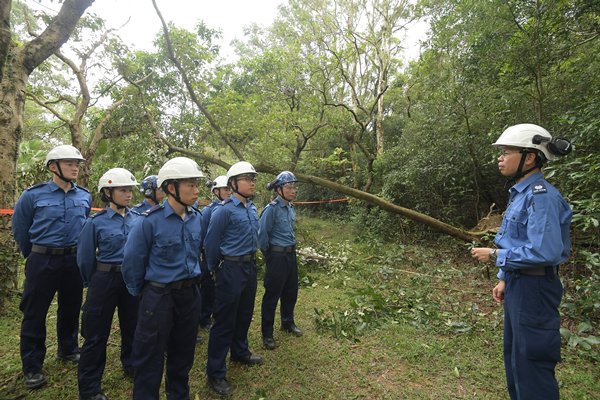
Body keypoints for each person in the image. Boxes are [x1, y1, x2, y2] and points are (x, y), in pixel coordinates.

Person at [471, 123, 572, 400]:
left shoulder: (542, 197)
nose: (500, 158)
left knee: (532, 363)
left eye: (506, 152)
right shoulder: (521, 194)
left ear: (529, 158)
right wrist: (504, 277)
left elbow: (545, 252)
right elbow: (519, 241)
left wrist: (494, 256)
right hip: (519, 283)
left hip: (535, 290)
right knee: (515, 359)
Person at [122, 157, 204, 400]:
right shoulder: (149, 221)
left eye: (196, 184)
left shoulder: (197, 218)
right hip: (159, 297)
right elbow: (132, 262)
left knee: (183, 354)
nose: (196, 190)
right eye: (190, 184)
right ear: (171, 188)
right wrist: (145, 295)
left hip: (189, 295)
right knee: (149, 358)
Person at [12, 144, 91, 390]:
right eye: (69, 163)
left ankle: (68, 350)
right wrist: (35, 255)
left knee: (70, 307)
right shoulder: (32, 195)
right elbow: (20, 230)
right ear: (53, 167)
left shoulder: (84, 196)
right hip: (42, 260)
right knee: (35, 313)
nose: (75, 167)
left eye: (77, 164)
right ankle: (33, 366)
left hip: (73, 260)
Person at [76, 168, 141, 400]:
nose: (129, 194)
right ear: (108, 193)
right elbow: (84, 258)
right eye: (123, 190)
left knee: (133, 326)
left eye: (130, 190)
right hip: (104, 279)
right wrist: (93, 282)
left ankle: (131, 364)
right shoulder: (95, 222)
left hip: (131, 279)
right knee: (95, 334)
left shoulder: (139, 221)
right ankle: (90, 387)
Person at [204, 161, 262, 397]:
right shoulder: (224, 210)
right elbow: (210, 244)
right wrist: (215, 270)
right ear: (234, 183)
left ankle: (240, 351)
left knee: (245, 313)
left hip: (249, 267)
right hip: (230, 269)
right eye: (247, 178)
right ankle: (216, 372)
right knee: (224, 320)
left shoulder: (251, 208)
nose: (252, 182)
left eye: (253, 178)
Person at [259, 171, 303, 351]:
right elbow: (262, 236)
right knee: (272, 294)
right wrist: (270, 256)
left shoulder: (290, 207)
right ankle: (267, 333)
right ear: (279, 190)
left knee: (291, 291)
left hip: (290, 255)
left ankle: (287, 322)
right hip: (276, 256)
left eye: (294, 187)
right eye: (289, 187)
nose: (293, 190)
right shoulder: (271, 209)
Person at [198, 176, 230, 336]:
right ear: (216, 191)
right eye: (225, 189)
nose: (228, 192)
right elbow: (203, 236)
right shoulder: (208, 211)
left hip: (224, 257)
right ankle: (204, 318)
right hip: (209, 255)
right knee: (208, 288)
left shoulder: (229, 208)